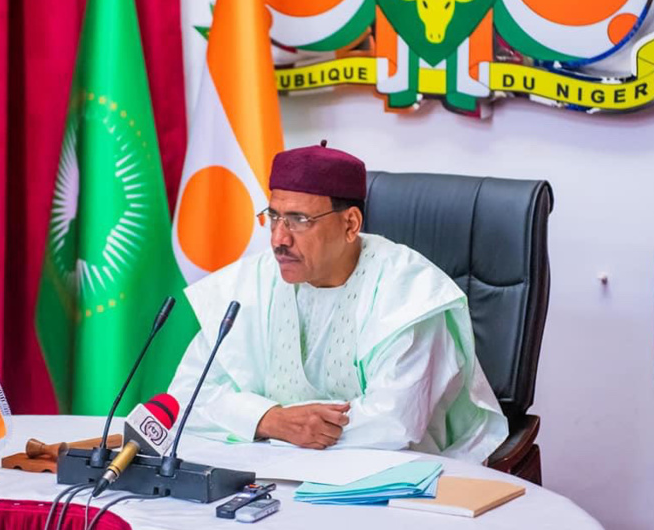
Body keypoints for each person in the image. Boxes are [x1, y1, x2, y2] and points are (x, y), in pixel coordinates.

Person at [168, 142, 507, 462]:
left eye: (299, 221)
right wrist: (269, 420)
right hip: (273, 470)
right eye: (274, 217)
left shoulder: (408, 292)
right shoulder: (249, 284)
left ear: (350, 224)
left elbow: (395, 422)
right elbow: (185, 398)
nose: (278, 239)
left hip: (392, 476)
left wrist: (268, 422)